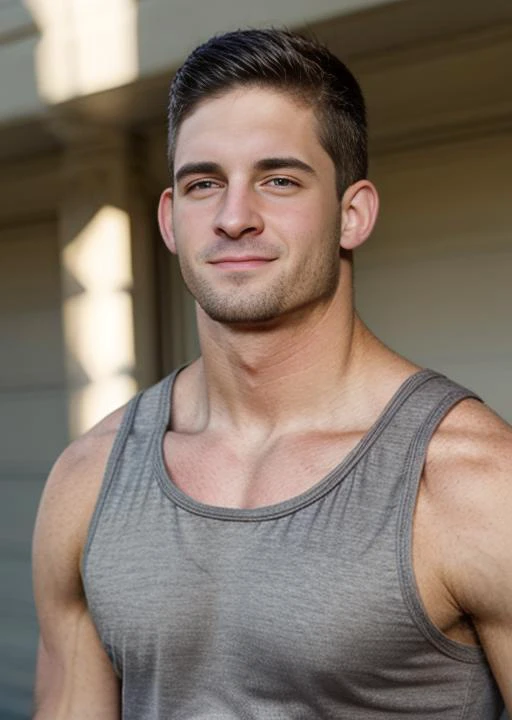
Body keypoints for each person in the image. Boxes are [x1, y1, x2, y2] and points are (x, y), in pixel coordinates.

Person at [32, 28, 511, 719]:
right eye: (204, 184)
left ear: (352, 213)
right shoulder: (88, 478)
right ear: (170, 221)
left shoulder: (474, 481)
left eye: (278, 180)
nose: (233, 218)